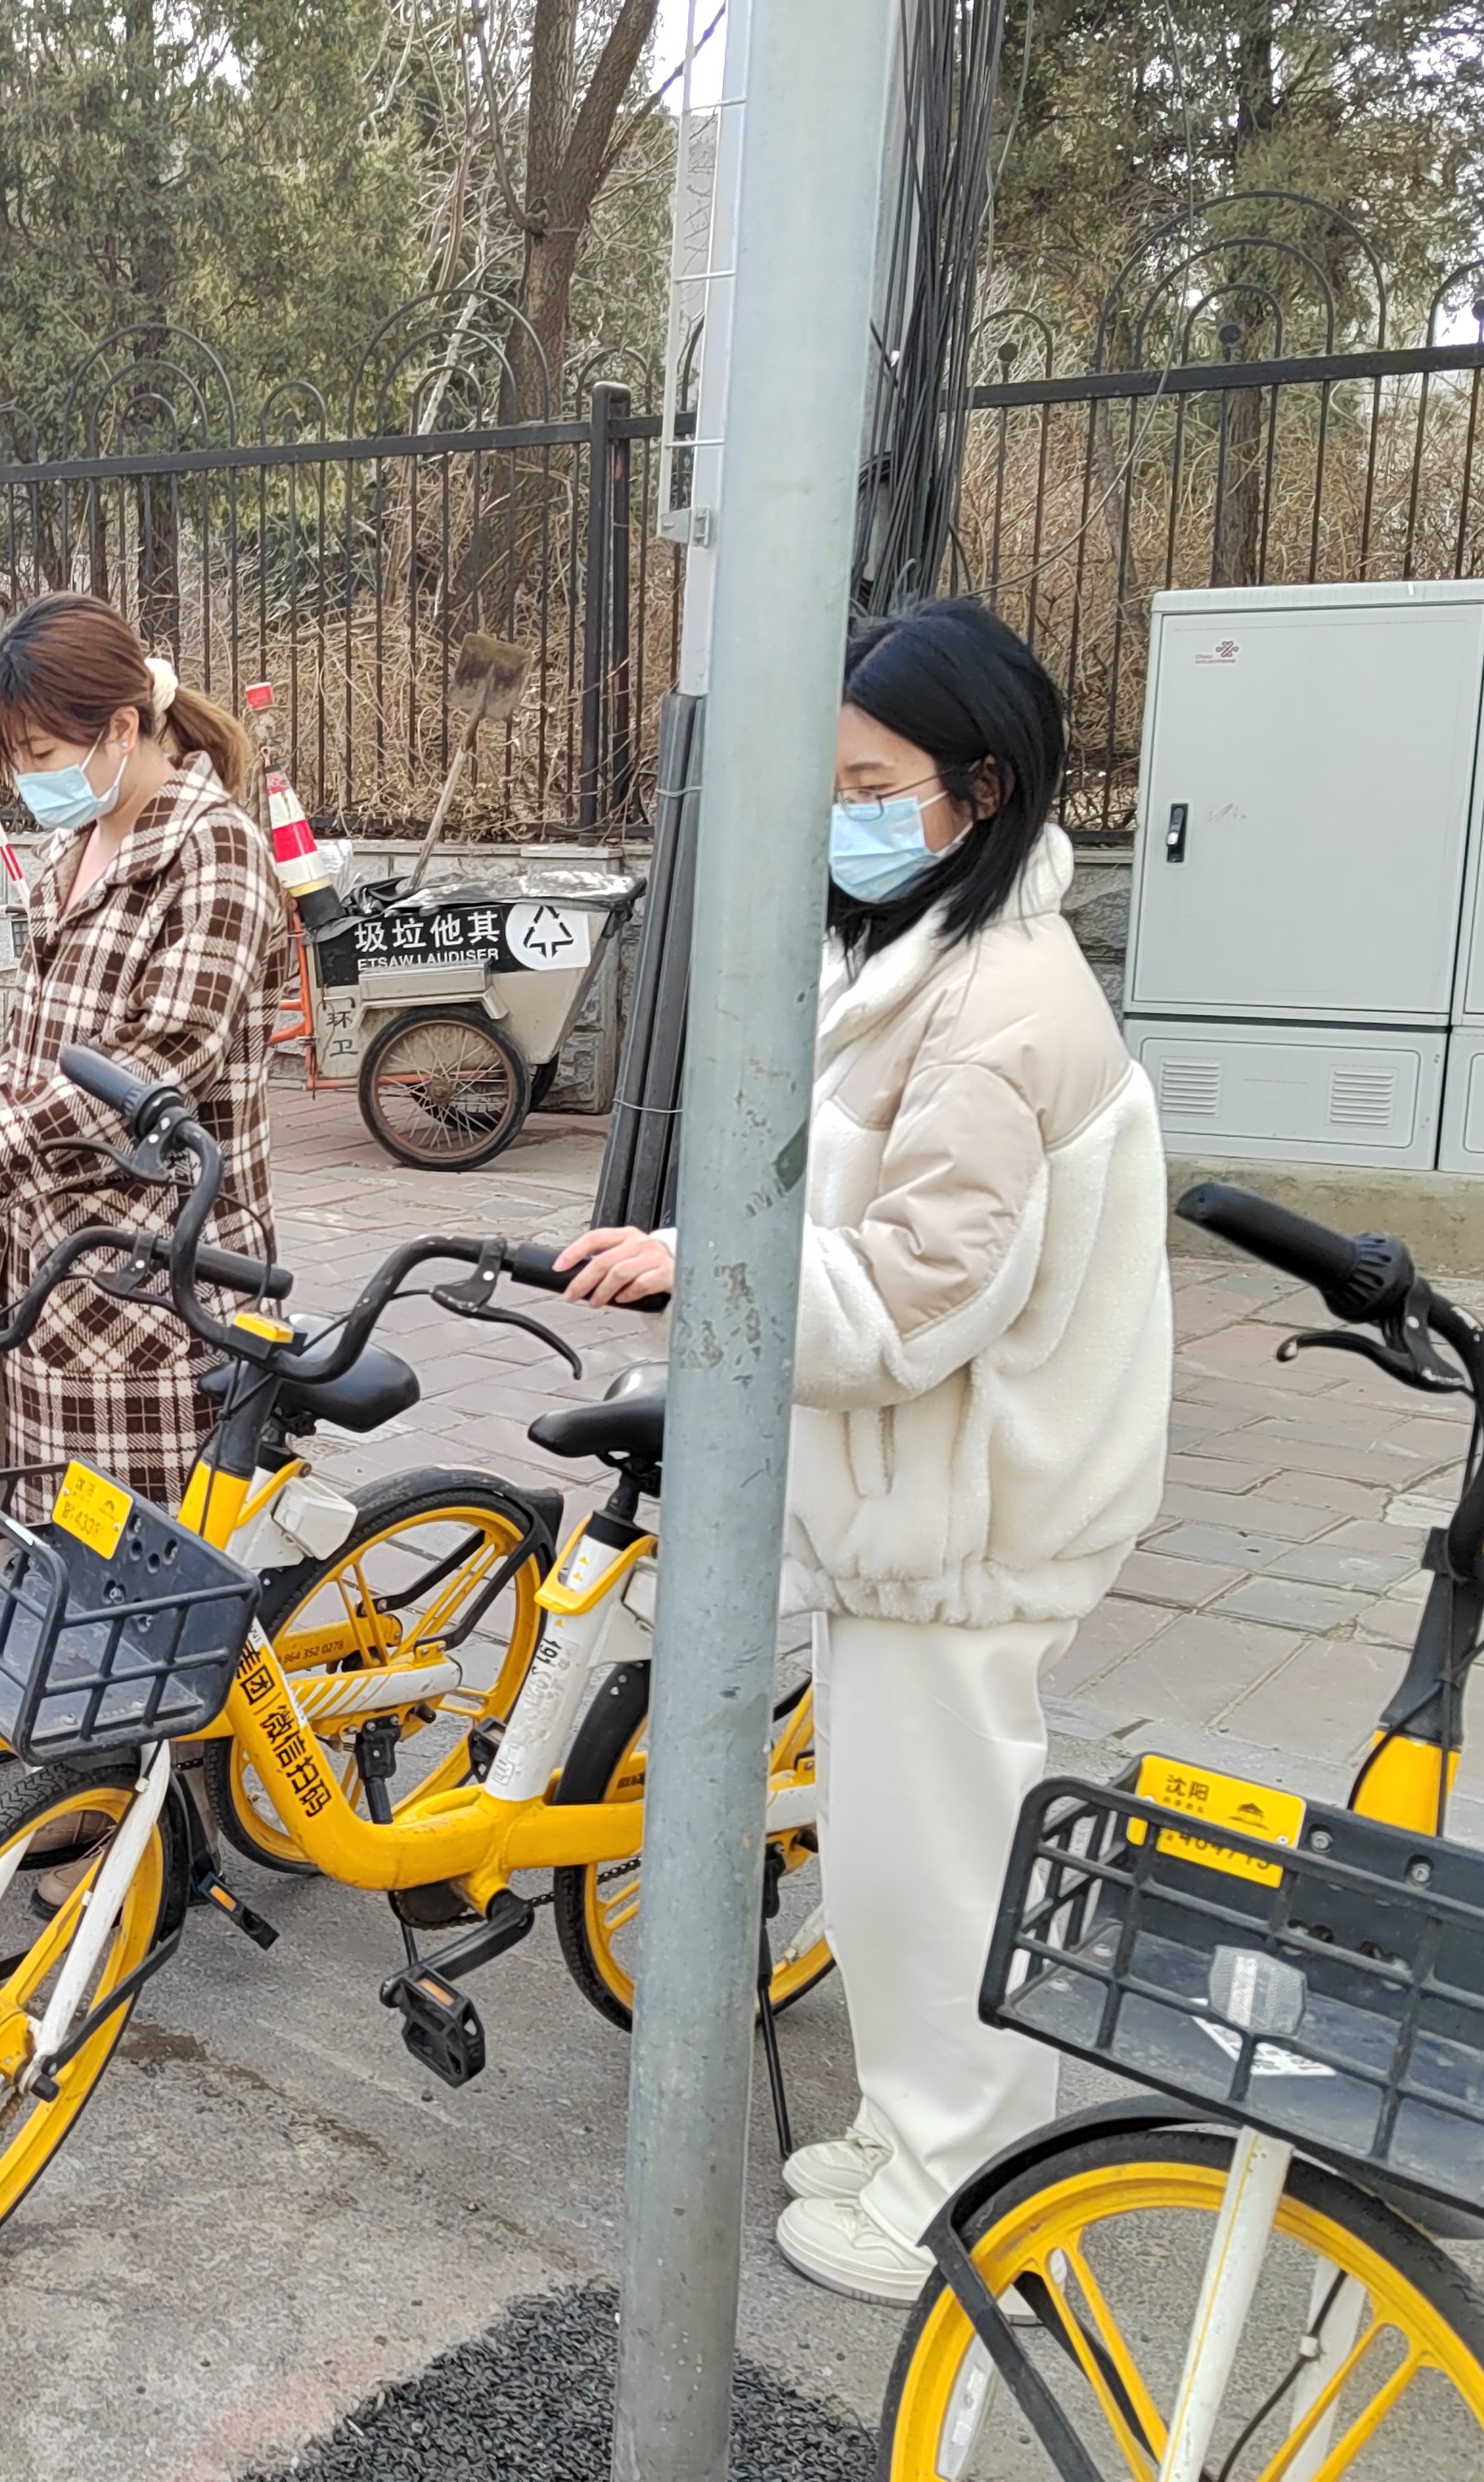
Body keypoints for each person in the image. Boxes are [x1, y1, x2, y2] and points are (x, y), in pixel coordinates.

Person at [557, 598, 1170, 2306]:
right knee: (890, 1856)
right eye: (830, 783)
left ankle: (962, 2188)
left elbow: (913, 1298)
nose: (845, 816)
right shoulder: (931, 959)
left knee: (936, 1861)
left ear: (981, 787)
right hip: (919, 1500)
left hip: (965, 1509)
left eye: (872, 785)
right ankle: (912, 2130)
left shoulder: (1000, 1008)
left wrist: (703, 1275)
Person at [0, 592, 286, 1517]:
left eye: (39, 754)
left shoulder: (214, 851)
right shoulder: (73, 846)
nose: (27, 780)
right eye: (14, 760)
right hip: (45, 1264)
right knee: (27, 1541)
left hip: (152, 1280)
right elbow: (37, 1058)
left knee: (125, 1567)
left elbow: (159, 1062)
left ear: (121, 727)